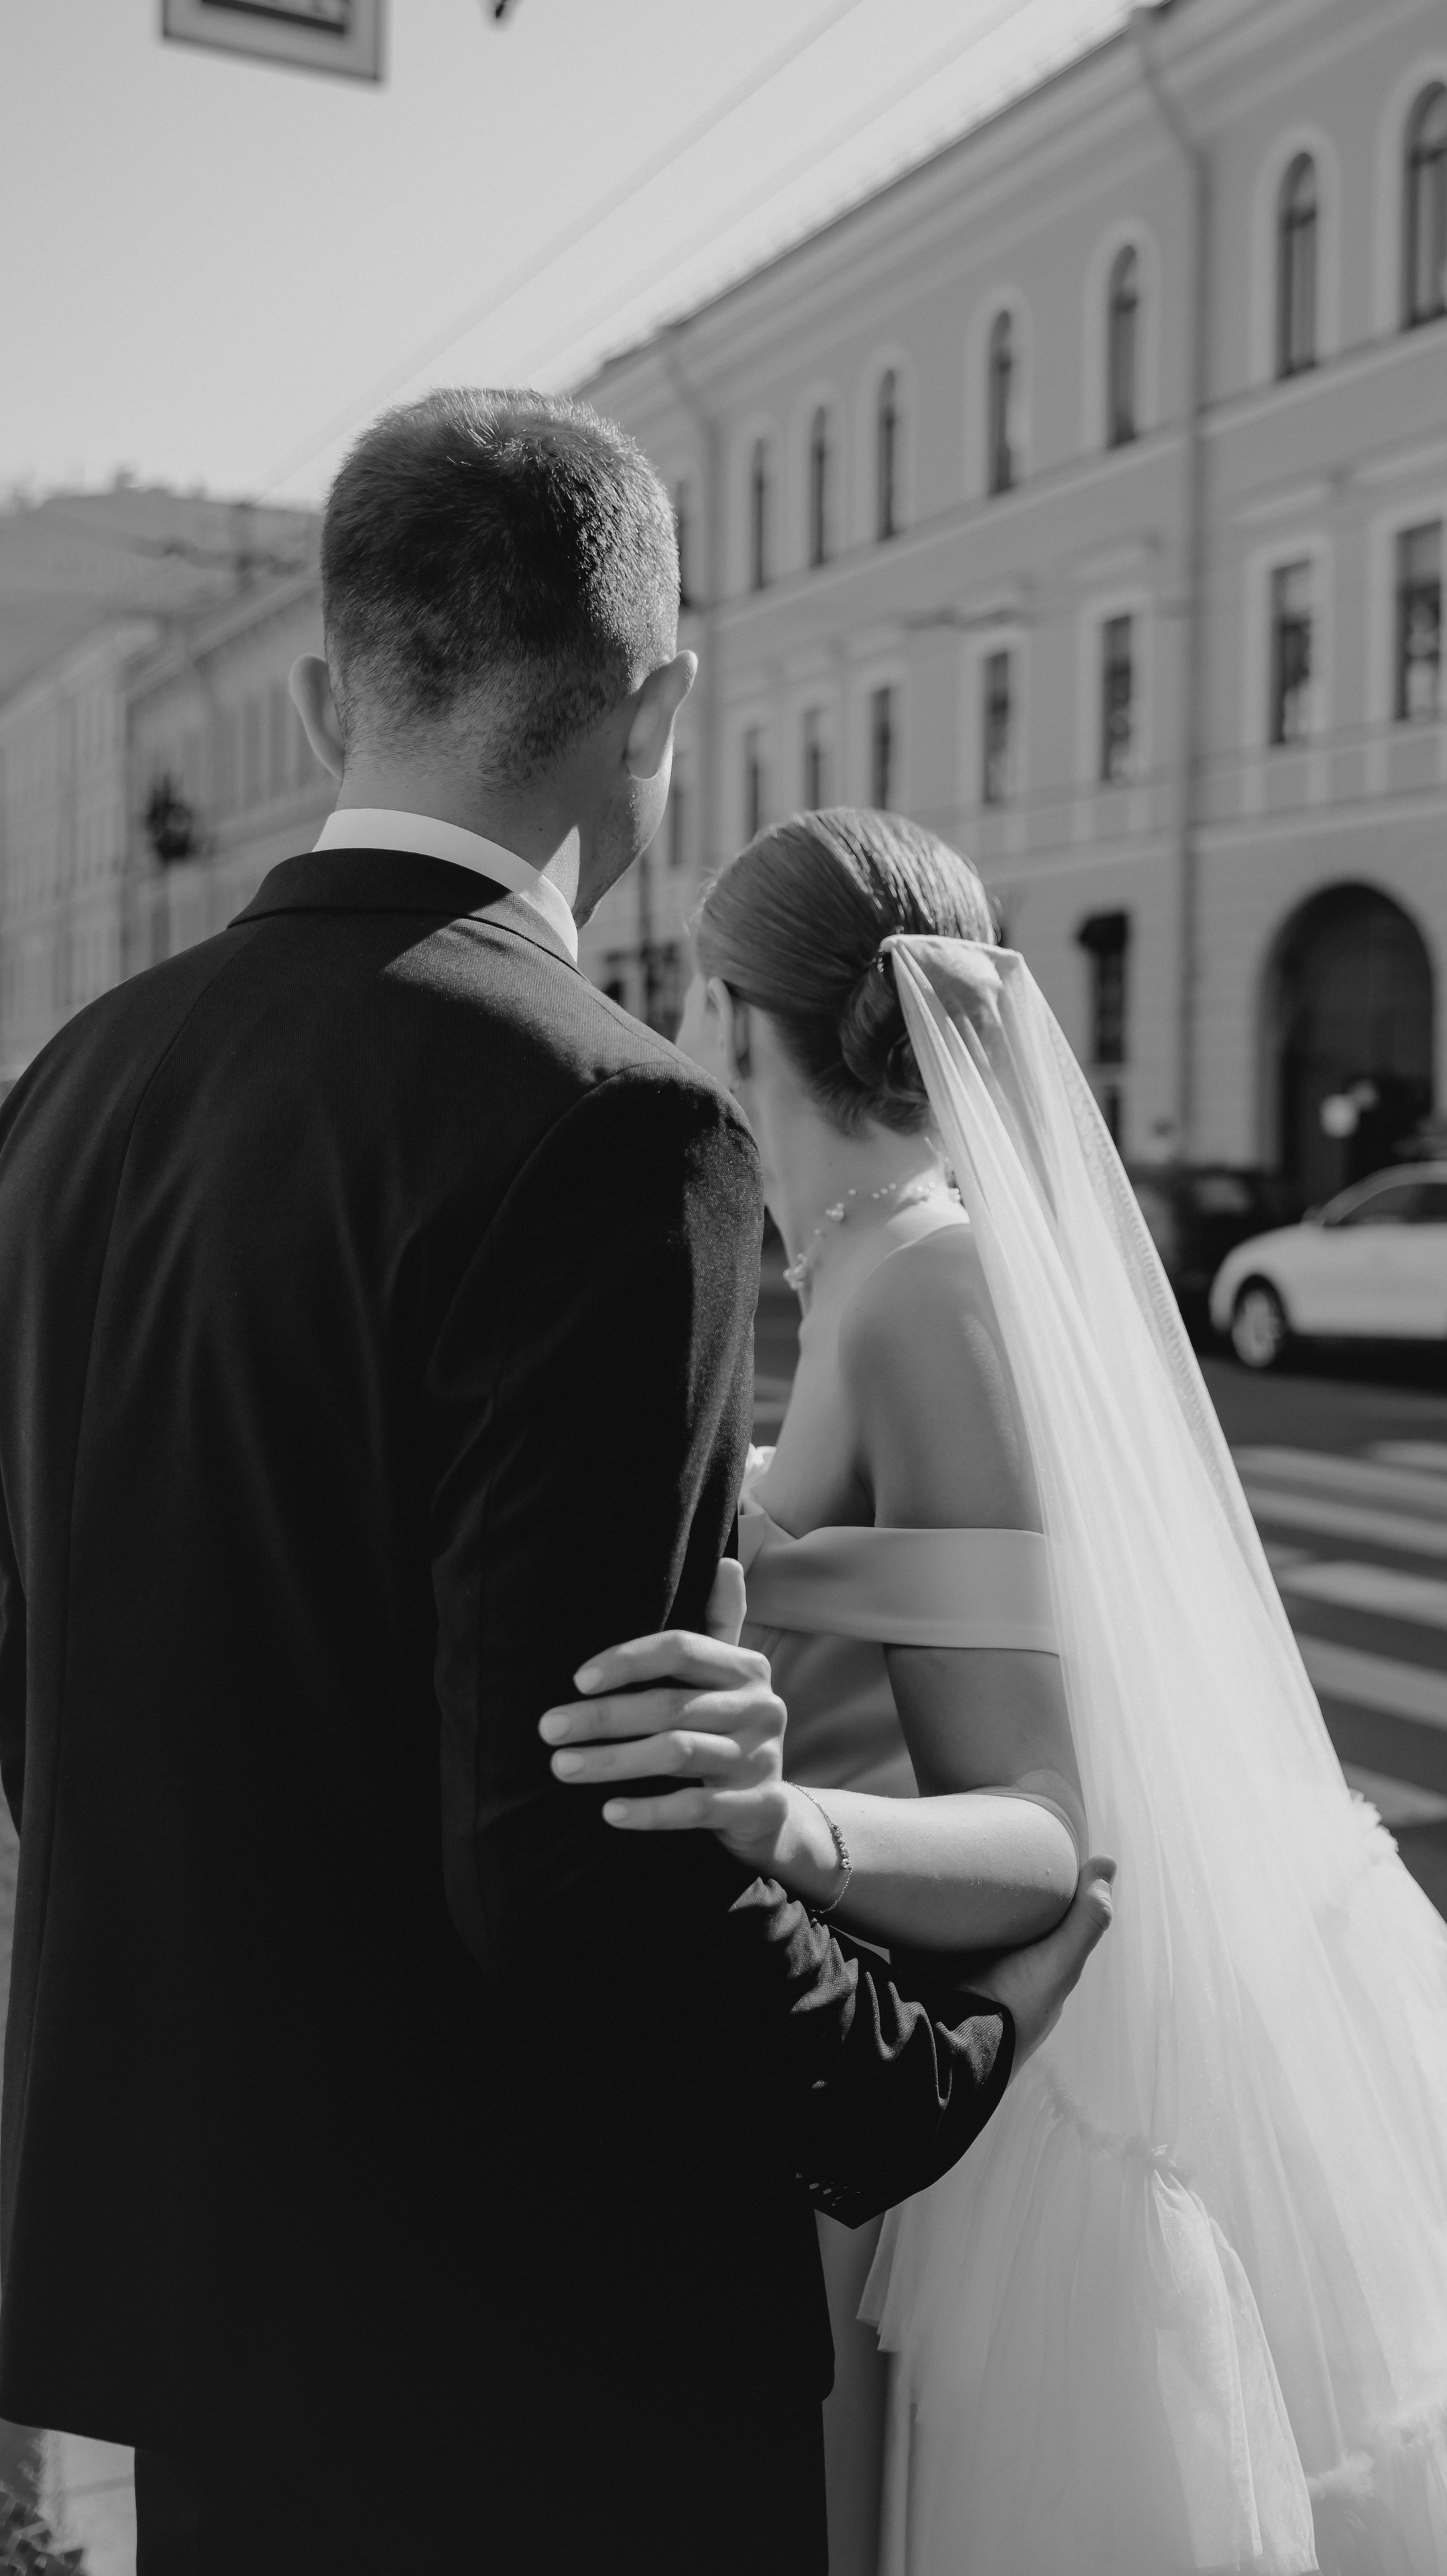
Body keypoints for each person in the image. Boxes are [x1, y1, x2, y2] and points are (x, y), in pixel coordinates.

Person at [0, 394, 1112, 2576]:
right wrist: (932, 2071)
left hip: (196, 2311)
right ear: (661, 709)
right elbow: (574, 1860)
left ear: (328, 695)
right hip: (529, 2349)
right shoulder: (614, 1122)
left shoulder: (65, 1091)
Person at [553, 806, 1447, 2576]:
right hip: (874, 2063)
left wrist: (774, 1815)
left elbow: (1046, 1828)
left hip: (969, 2095)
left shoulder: (921, 1281)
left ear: (735, 1016)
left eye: (697, 1005)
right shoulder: (873, 1260)